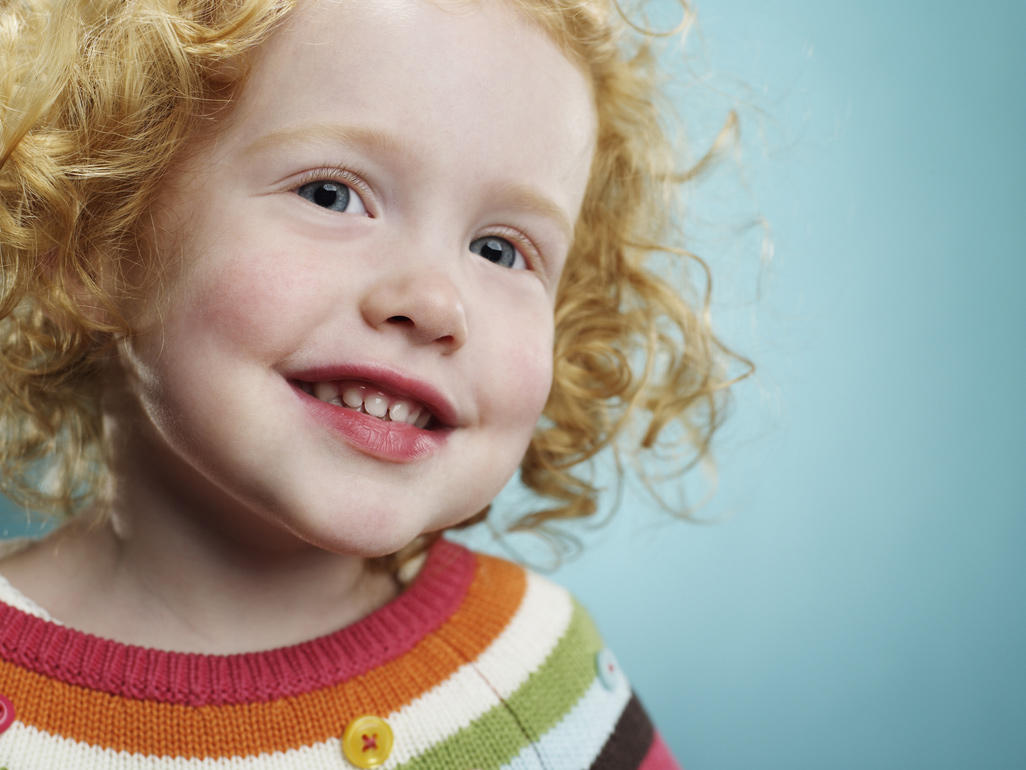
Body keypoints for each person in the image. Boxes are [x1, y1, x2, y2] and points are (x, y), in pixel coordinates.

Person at [0, 0, 749, 766]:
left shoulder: (539, 683)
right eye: (332, 194)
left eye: (499, 249)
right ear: (98, 235)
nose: (433, 303)